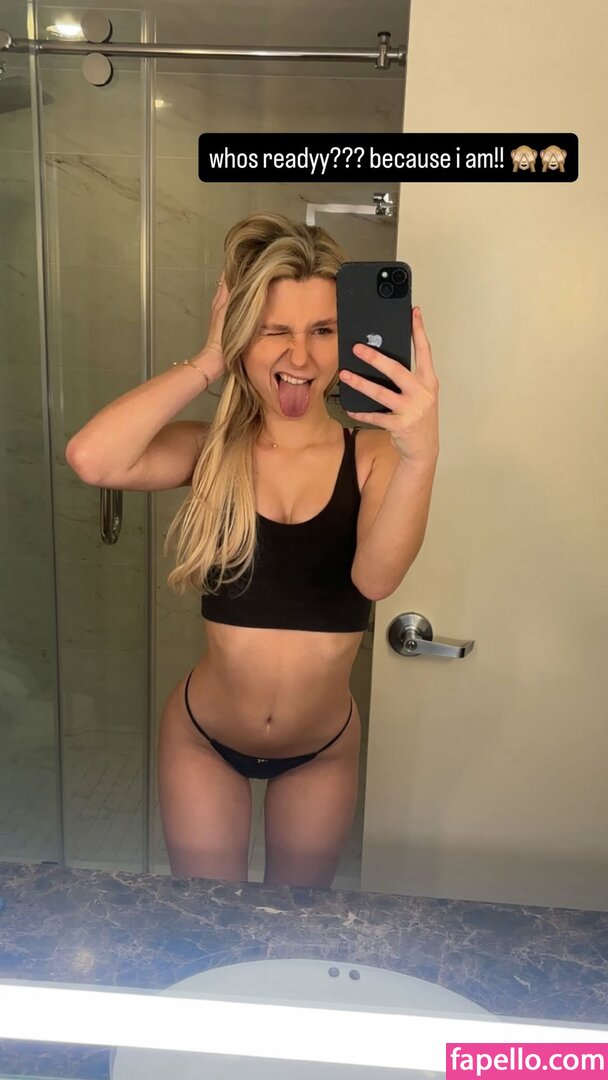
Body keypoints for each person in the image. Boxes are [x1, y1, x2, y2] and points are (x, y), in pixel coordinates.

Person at [66, 211, 439, 888]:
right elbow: (92, 458)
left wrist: (422, 452)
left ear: (348, 337)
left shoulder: (375, 455)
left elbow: (377, 579)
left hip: (320, 751)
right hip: (203, 740)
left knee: (292, 931)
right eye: (273, 331)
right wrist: (209, 360)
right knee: (207, 928)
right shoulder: (212, 450)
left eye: (322, 330)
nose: (300, 357)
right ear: (243, 336)